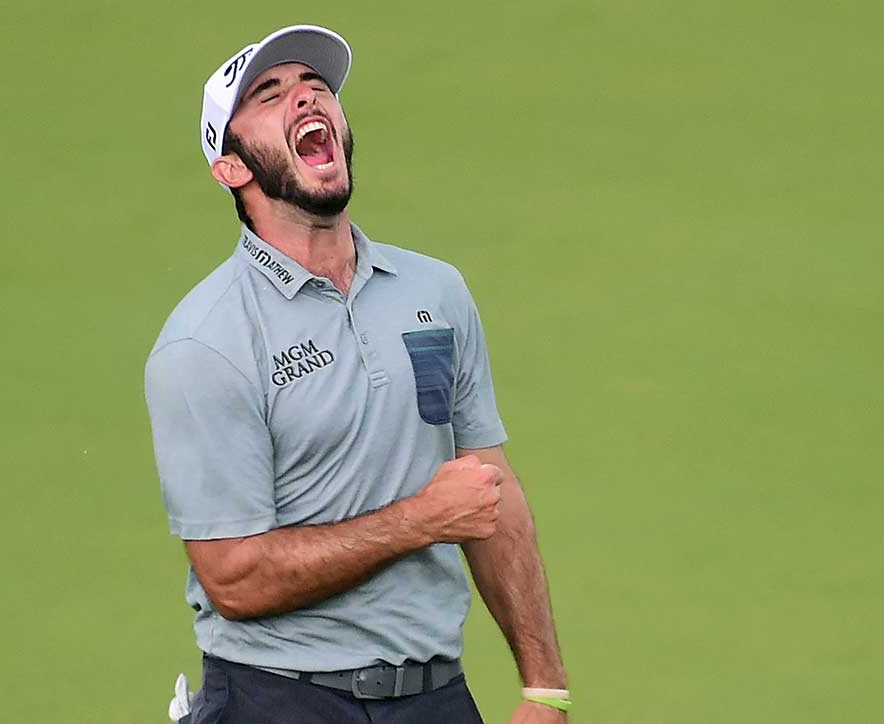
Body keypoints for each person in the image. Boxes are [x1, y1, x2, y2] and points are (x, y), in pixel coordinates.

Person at [144, 24, 570, 724]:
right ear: (231, 167)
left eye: (317, 87)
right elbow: (235, 580)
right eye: (271, 95)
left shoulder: (434, 294)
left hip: (435, 698)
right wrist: (419, 521)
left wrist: (545, 687)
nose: (307, 98)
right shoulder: (205, 342)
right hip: (276, 700)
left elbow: (489, 491)